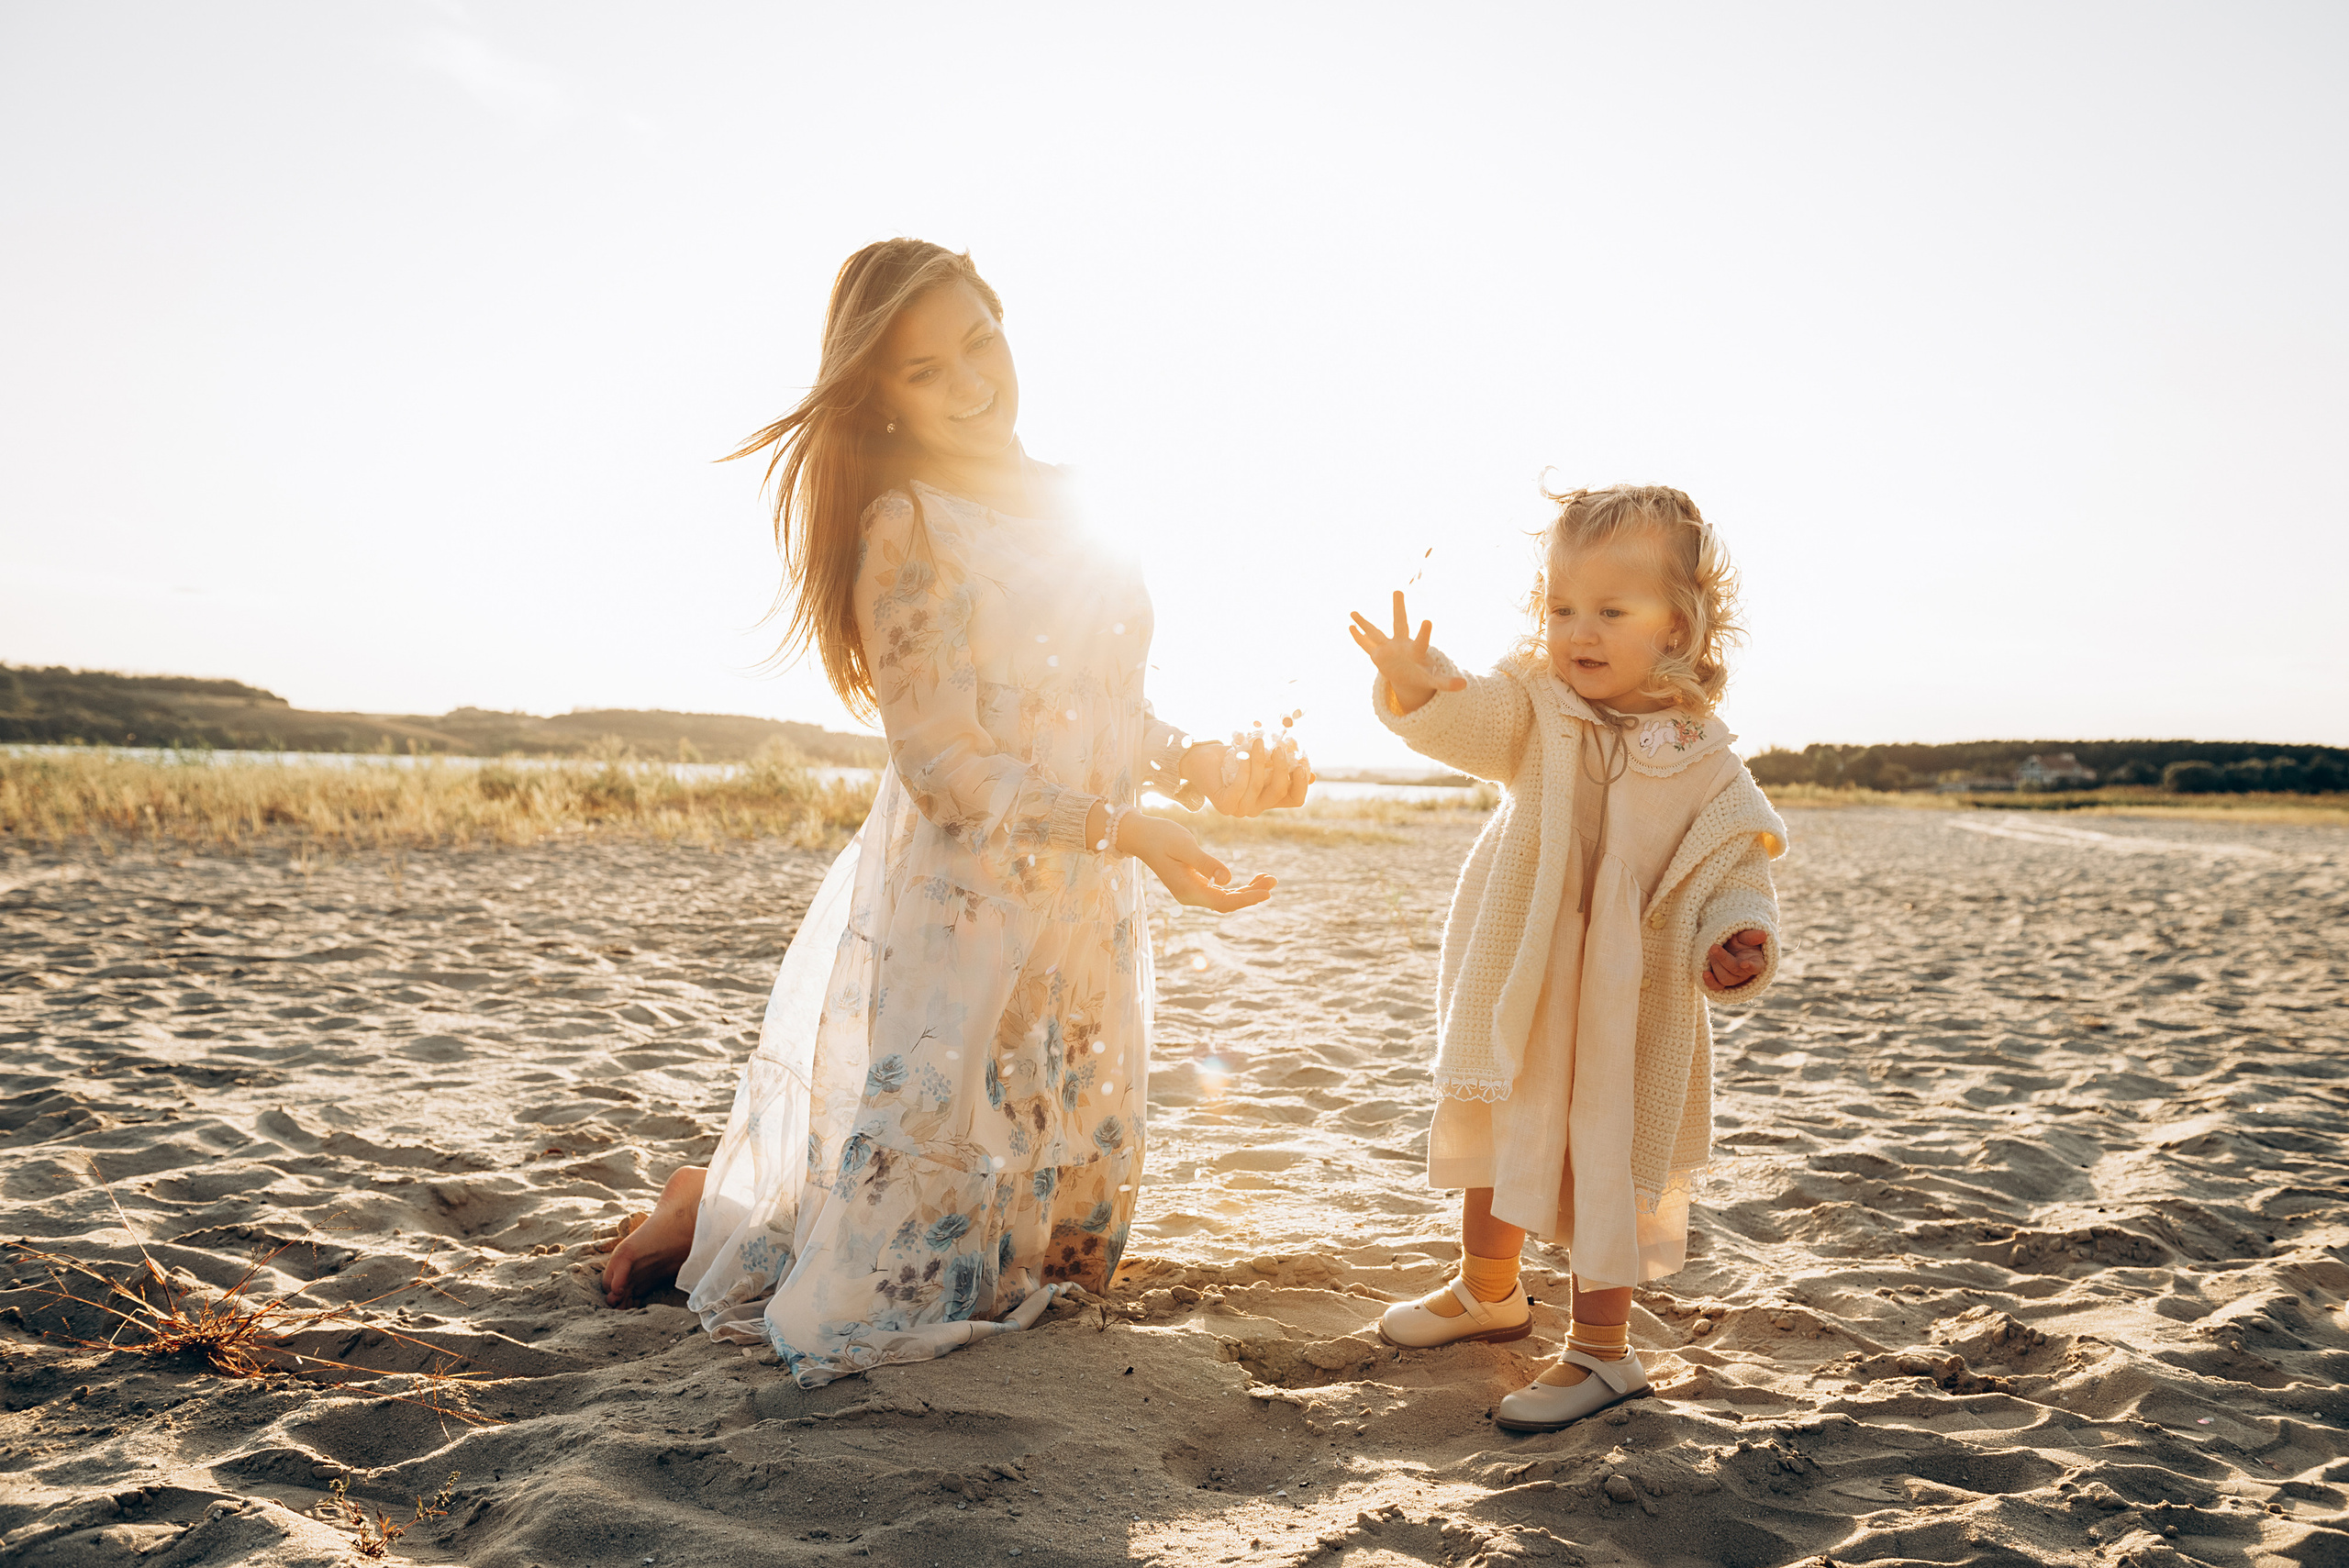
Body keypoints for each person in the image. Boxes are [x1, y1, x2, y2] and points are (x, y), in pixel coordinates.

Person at [599, 239, 1308, 1385]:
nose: (973, 381)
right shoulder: (907, 524)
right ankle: (713, 1208)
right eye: (928, 371)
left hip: (1085, 917)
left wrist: (1224, 771)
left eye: (980, 340)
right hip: (968, 907)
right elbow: (941, 763)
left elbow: (1104, 711)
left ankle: (729, 1196)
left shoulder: (1084, 502)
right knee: (875, 1309)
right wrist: (1124, 830)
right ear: (883, 396)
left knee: (1062, 1270)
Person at [1345, 484, 1787, 1431]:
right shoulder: (1536, 706)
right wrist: (1418, 682)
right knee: (1500, 1124)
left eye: (1610, 611)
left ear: (1678, 624)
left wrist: (1734, 938)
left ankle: (1602, 1350)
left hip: (1624, 1004)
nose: (1576, 632)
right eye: (1559, 607)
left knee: (1606, 1153)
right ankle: (1487, 1289)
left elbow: (1734, 864)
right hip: (1528, 979)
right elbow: (1469, 721)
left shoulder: (1705, 757)